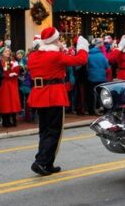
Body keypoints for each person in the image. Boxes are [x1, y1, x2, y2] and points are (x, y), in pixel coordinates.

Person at [27, 27, 89, 175]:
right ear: (54, 40)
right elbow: (81, 60)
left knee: (44, 131)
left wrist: (61, 50)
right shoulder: (56, 56)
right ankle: (42, 162)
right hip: (53, 94)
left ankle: (47, 162)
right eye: (58, 39)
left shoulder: (34, 55)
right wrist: (82, 47)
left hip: (39, 93)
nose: (60, 41)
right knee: (54, 131)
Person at [0, 47, 21, 127]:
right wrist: (7, 74)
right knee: (5, 102)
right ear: (2, 53)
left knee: (12, 101)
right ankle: (5, 121)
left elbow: (16, 70)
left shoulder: (12, 61)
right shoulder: (0, 62)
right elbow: (1, 71)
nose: (8, 53)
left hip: (12, 83)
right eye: (6, 51)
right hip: (4, 84)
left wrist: (14, 72)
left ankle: (13, 119)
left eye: (9, 51)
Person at [86, 38, 110, 115]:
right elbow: (107, 66)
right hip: (102, 78)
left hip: (91, 77)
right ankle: (105, 109)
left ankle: (91, 110)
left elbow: (86, 66)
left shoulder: (88, 55)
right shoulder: (102, 56)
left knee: (91, 95)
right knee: (103, 94)